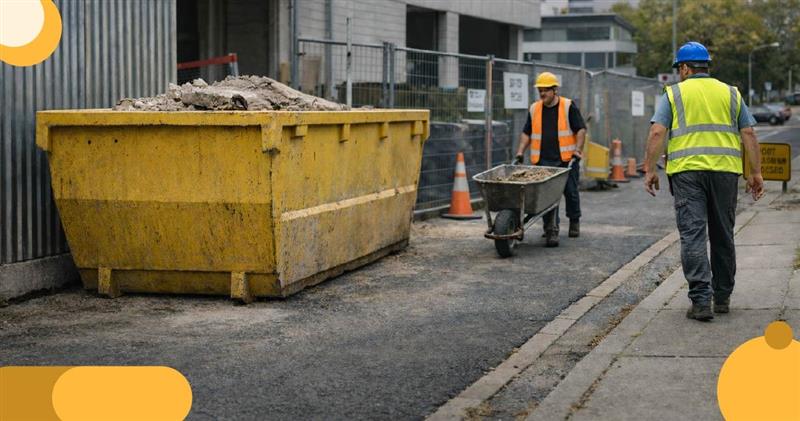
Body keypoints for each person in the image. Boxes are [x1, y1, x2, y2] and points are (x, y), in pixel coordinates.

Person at [643, 41, 764, 321]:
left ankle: (701, 302)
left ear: (685, 68)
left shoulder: (674, 93)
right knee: (723, 233)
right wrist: (755, 173)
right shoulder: (731, 93)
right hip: (725, 172)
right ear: (706, 66)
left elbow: (658, 132)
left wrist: (650, 169)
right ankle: (722, 297)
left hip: (687, 173)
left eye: (679, 69)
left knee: (693, 234)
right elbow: (749, 133)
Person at [515, 72, 587, 247]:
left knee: (570, 192)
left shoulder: (568, 106)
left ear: (554, 90)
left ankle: (574, 221)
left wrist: (577, 150)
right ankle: (550, 229)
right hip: (543, 160)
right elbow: (527, 133)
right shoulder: (535, 109)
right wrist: (519, 152)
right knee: (546, 198)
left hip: (565, 159)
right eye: (540, 90)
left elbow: (581, 130)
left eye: (545, 90)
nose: (542, 94)